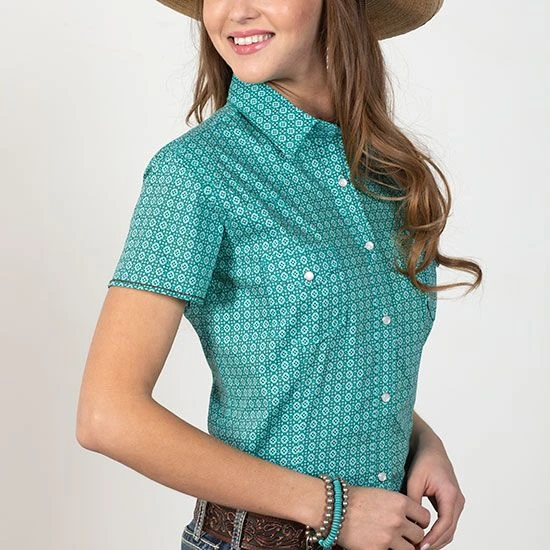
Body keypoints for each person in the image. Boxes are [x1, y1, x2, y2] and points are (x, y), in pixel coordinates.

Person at [76, 0, 482, 549]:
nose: (237, 10)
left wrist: (420, 442)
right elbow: (107, 414)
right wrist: (335, 510)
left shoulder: (388, 173)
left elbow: (329, 366)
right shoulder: (196, 173)